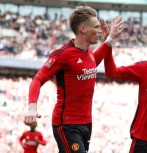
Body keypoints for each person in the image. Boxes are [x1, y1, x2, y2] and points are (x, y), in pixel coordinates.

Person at [24, 5, 125, 153]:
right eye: (96, 27)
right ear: (83, 29)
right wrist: (32, 107)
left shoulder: (88, 51)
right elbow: (38, 79)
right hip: (66, 124)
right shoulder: (63, 54)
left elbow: (92, 63)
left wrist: (109, 39)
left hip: (86, 123)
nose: (99, 30)